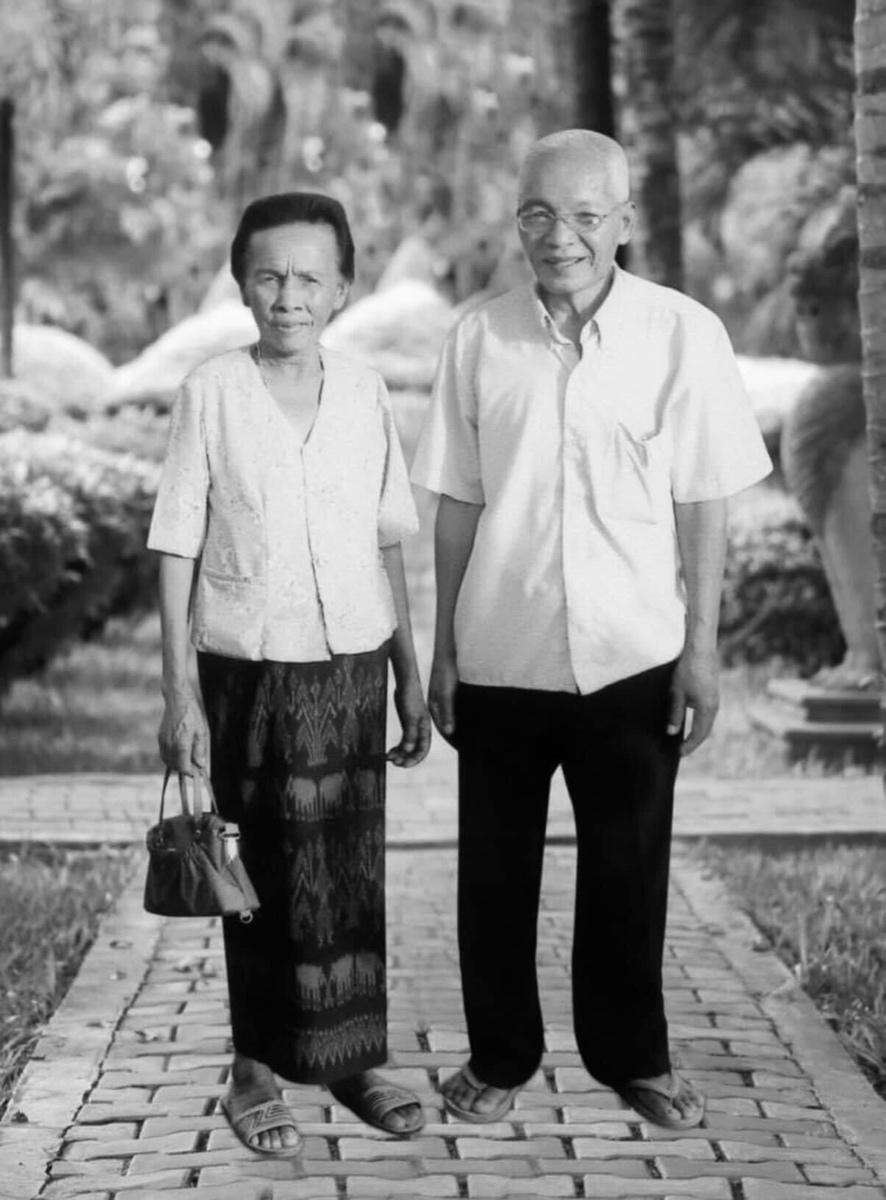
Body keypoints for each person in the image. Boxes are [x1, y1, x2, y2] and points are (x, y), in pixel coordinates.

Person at [411, 130, 772, 1129]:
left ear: (622, 221)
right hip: (501, 652)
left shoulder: (683, 334)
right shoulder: (478, 340)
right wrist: (443, 651)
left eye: (583, 215)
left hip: (634, 657)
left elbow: (703, 498)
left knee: (628, 871)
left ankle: (633, 1057)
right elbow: (457, 504)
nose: (559, 235)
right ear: (516, 219)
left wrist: (702, 648)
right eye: (538, 213)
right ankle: (499, 1057)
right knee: (493, 877)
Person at [148, 192, 431, 1158]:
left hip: (352, 662)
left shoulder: (366, 392)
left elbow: (388, 538)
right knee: (259, 868)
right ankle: (256, 1068)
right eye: (269, 275)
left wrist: (408, 672)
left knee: (348, 868)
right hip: (248, 666)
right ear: (241, 284)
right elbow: (176, 545)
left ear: (344, 288)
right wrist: (179, 692)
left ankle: (351, 1057)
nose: (289, 295)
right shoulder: (212, 392)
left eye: (311, 277)